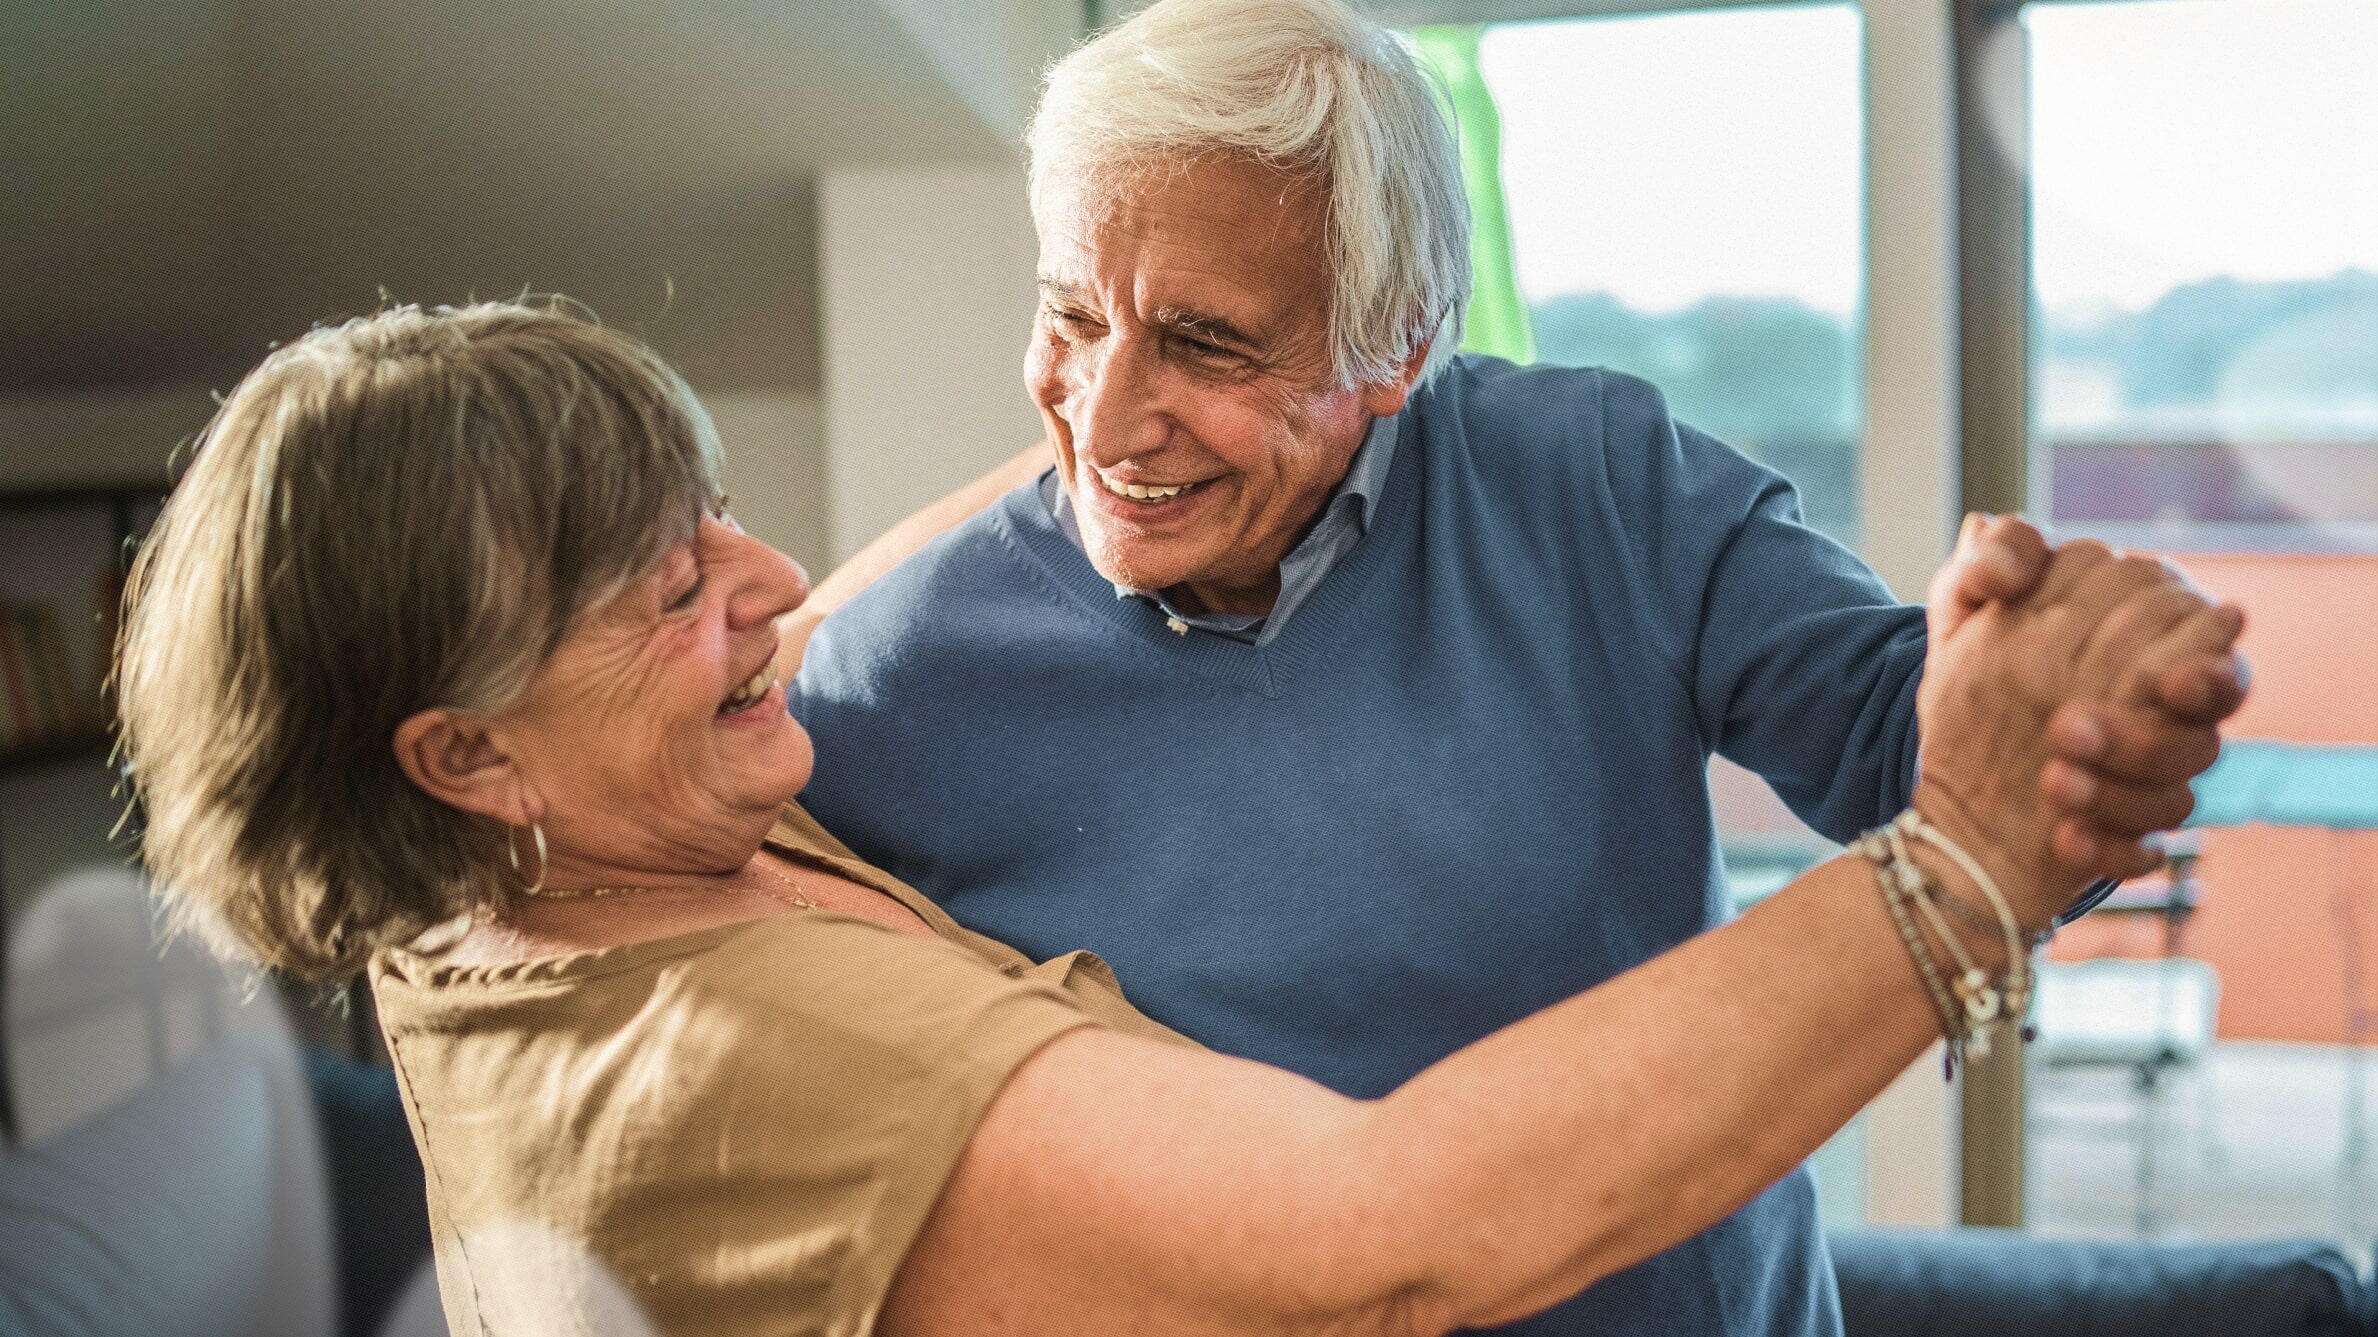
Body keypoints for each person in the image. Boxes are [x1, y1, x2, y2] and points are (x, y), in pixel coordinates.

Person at [116, 302, 2244, 1337]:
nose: (769, 588)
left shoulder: (488, 878)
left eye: (717, 525)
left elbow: (863, 591)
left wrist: (1186, 389)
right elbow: (1404, 1234)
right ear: (462, 751)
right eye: (675, 592)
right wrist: (1965, 861)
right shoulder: (726, 1070)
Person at [789, 3, 2242, 1334]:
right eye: (1072, 314)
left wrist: (2068, 700)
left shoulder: (1600, 478)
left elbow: (1908, 747)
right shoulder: (894, 679)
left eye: (1203, 343)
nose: (1104, 417)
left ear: (1399, 345)